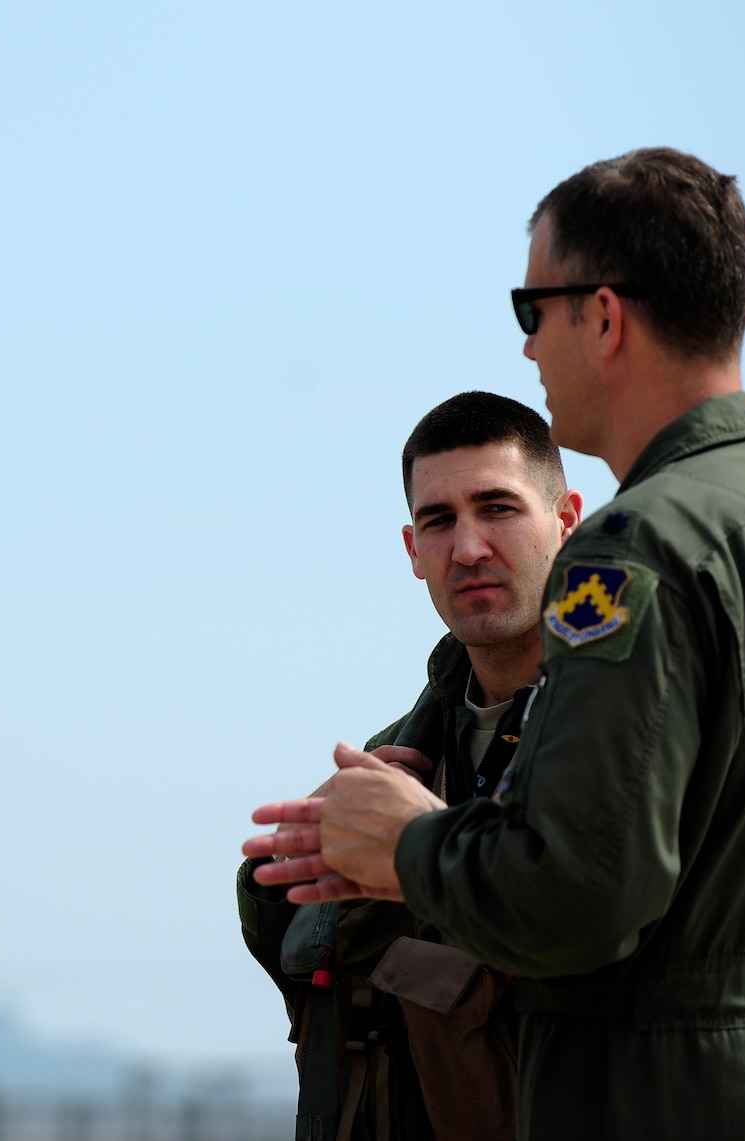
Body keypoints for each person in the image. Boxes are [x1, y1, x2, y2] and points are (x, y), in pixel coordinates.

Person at [246, 148, 745, 1139]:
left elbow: (581, 892)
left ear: (601, 316)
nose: (525, 352)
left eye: (531, 311)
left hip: (653, 1097)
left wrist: (408, 845)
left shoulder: (636, 545)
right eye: (435, 520)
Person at [237, 392, 579, 1141]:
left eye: (498, 509)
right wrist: (315, 849)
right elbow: (288, 946)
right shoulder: (400, 750)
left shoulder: (613, 733)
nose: (467, 548)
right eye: (439, 521)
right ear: (411, 548)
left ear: (567, 520)